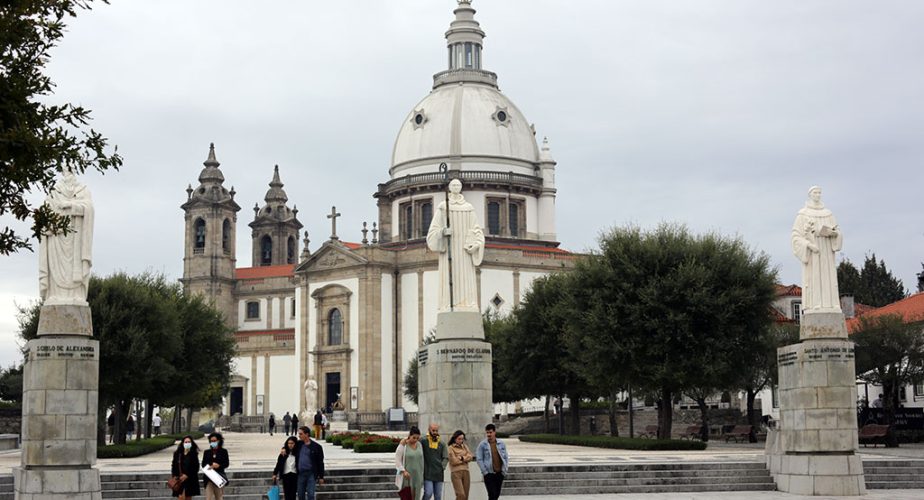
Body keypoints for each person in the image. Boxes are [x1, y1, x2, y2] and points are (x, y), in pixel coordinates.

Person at [426, 178, 485, 312]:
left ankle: (468, 303)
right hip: (449, 251)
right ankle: (448, 303)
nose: (456, 187)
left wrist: (476, 244)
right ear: (449, 187)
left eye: (458, 185)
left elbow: (477, 230)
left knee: (467, 280)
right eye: (453, 185)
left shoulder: (469, 208)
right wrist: (443, 231)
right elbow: (432, 232)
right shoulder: (442, 207)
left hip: (465, 253)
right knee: (449, 279)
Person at [38, 169, 94, 306]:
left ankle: (77, 296)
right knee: (55, 264)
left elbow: (90, 208)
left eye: (72, 167)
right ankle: (54, 294)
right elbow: (46, 213)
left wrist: (70, 205)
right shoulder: (54, 191)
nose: (69, 170)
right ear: (62, 170)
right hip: (57, 236)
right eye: (66, 167)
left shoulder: (83, 190)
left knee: (74, 266)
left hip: (76, 235)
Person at [791, 186, 842, 312]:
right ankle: (816, 304)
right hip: (813, 252)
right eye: (815, 193)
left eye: (819, 193)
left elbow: (838, 231)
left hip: (826, 250)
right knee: (814, 277)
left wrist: (834, 234)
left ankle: (832, 304)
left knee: (828, 276)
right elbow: (796, 236)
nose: (818, 195)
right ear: (810, 195)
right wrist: (809, 245)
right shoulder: (802, 214)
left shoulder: (828, 214)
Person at [476, 424, 508, 500]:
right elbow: (479, 458)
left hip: (499, 473)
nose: (489, 434)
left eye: (490, 432)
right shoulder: (482, 445)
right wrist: (485, 472)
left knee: (497, 494)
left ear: (494, 432)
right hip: (489, 474)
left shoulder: (501, 443)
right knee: (492, 494)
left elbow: (505, 457)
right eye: (487, 433)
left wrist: (505, 469)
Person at [293, 425, 325, 500]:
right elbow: (289, 444)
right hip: (301, 473)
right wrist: (284, 449)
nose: (299, 436)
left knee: (311, 494)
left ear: (307, 434)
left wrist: (321, 477)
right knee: (300, 495)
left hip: (311, 473)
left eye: (301, 434)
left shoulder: (317, 447)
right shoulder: (298, 444)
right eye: (299, 434)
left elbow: (320, 462)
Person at [395, 426, 424, 500]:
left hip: (418, 476)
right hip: (407, 476)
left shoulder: (419, 445)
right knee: (408, 497)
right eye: (414, 437)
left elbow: (422, 460)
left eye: (417, 438)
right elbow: (397, 460)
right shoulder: (403, 445)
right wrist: (403, 471)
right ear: (409, 435)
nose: (415, 440)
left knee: (417, 497)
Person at [422, 423, 448, 500]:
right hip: (427, 473)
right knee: (428, 493)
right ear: (429, 430)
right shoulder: (423, 441)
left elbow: (446, 457)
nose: (435, 432)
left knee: (438, 496)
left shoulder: (442, 443)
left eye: (436, 430)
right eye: (433, 430)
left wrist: (442, 467)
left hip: (439, 474)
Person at [171, 435, 201, 499]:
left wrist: (187, 475)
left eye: (189, 442)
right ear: (183, 443)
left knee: (188, 497)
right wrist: (175, 476)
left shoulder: (193, 454)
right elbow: (174, 466)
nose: (187, 443)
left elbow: (196, 467)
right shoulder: (177, 453)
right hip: (179, 479)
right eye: (186, 442)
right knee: (180, 496)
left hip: (189, 479)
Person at [448, 430, 475, 500]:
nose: (461, 440)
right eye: (459, 439)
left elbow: (471, 457)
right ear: (455, 438)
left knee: (466, 496)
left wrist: (462, 458)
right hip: (456, 472)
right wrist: (465, 459)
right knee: (461, 494)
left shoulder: (465, 447)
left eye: (462, 439)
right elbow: (453, 461)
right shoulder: (450, 448)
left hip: (466, 471)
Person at [202, 432, 229, 500]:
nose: (213, 442)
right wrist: (210, 465)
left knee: (219, 497)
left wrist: (218, 466)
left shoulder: (223, 451)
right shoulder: (207, 452)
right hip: (209, 478)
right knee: (209, 498)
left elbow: (226, 463)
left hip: (218, 478)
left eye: (214, 441)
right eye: (211, 441)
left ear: (219, 441)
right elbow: (203, 464)